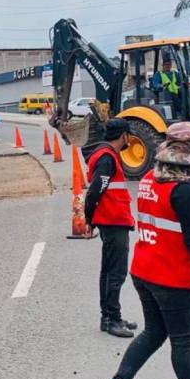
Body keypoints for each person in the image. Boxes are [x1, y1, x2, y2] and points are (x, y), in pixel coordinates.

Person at [97, 122, 190, 379]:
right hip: (173, 278)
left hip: (144, 271)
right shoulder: (186, 192)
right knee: (183, 343)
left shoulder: (148, 179)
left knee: (155, 331)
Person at [83, 118, 136, 338]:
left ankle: (109, 316)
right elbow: (96, 189)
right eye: (128, 135)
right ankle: (112, 319)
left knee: (108, 272)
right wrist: (89, 219)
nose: (129, 139)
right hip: (113, 220)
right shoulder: (107, 158)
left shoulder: (106, 154)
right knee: (115, 273)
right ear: (123, 135)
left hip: (112, 219)